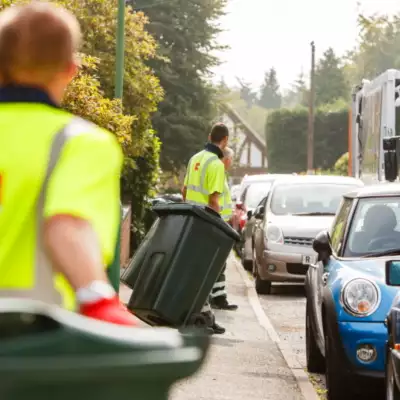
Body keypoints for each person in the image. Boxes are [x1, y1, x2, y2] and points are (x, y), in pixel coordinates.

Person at [0, 2, 138, 326]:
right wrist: (100, 301)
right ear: (70, 70)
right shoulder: (79, 142)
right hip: (33, 347)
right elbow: (66, 227)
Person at [182, 122, 229, 334]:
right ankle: (203, 317)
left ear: (210, 136)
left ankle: (204, 315)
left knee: (195, 272)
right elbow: (213, 200)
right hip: (206, 225)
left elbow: (184, 190)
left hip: (191, 221)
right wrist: (219, 227)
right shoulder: (216, 164)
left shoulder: (195, 158)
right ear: (224, 140)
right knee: (204, 274)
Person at [209, 147, 238, 311]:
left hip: (223, 223)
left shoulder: (221, 174)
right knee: (219, 263)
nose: (231, 163)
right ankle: (218, 298)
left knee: (220, 263)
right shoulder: (219, 172)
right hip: (220, 224)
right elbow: (215, 199)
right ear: (226, 159)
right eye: (231, 159)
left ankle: (219, 296)